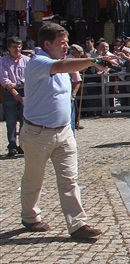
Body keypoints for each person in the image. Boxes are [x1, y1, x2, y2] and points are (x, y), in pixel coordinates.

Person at [20, 22, 117, 239]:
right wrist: (95, 60)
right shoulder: (38, 63)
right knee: (34, 179)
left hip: (63, 132)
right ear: (47, 44)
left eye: (66, 43)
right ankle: (29, 216)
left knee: (69, 179)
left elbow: (67, 68)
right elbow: (63, 65)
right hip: (38, 134)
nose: (66, 47)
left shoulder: (60, 63)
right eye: (61, 43)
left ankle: (77, 225)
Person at [1, 36, 29, 157]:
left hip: (25, 92)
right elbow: (4, 79)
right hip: (9, 93)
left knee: (25, 120)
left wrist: (18, 84)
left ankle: (23, 145)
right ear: (9, 48)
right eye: (14, 47)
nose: (17, 49)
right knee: (11, 121)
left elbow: (29, 77)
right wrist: (14, 91)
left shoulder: (27, 60)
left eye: (19, 46)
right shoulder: (3, 61)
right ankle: (12, 145)